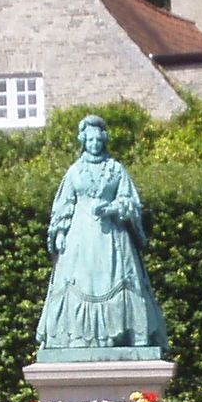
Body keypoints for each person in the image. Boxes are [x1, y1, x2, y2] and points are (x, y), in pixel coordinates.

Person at [35, 117, 167, 359]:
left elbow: (131, 201)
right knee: (77, 284)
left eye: (98, 139)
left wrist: (113, 208)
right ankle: (76, 337)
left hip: (112, 239)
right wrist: (60, 232)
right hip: (80, 239)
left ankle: (121, 335)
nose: (94, 144)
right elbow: (64, 204)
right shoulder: (74, 171)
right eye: (90, 140)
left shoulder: (116, 169)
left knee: (119, 283)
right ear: (83, 141)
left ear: (103, 140)